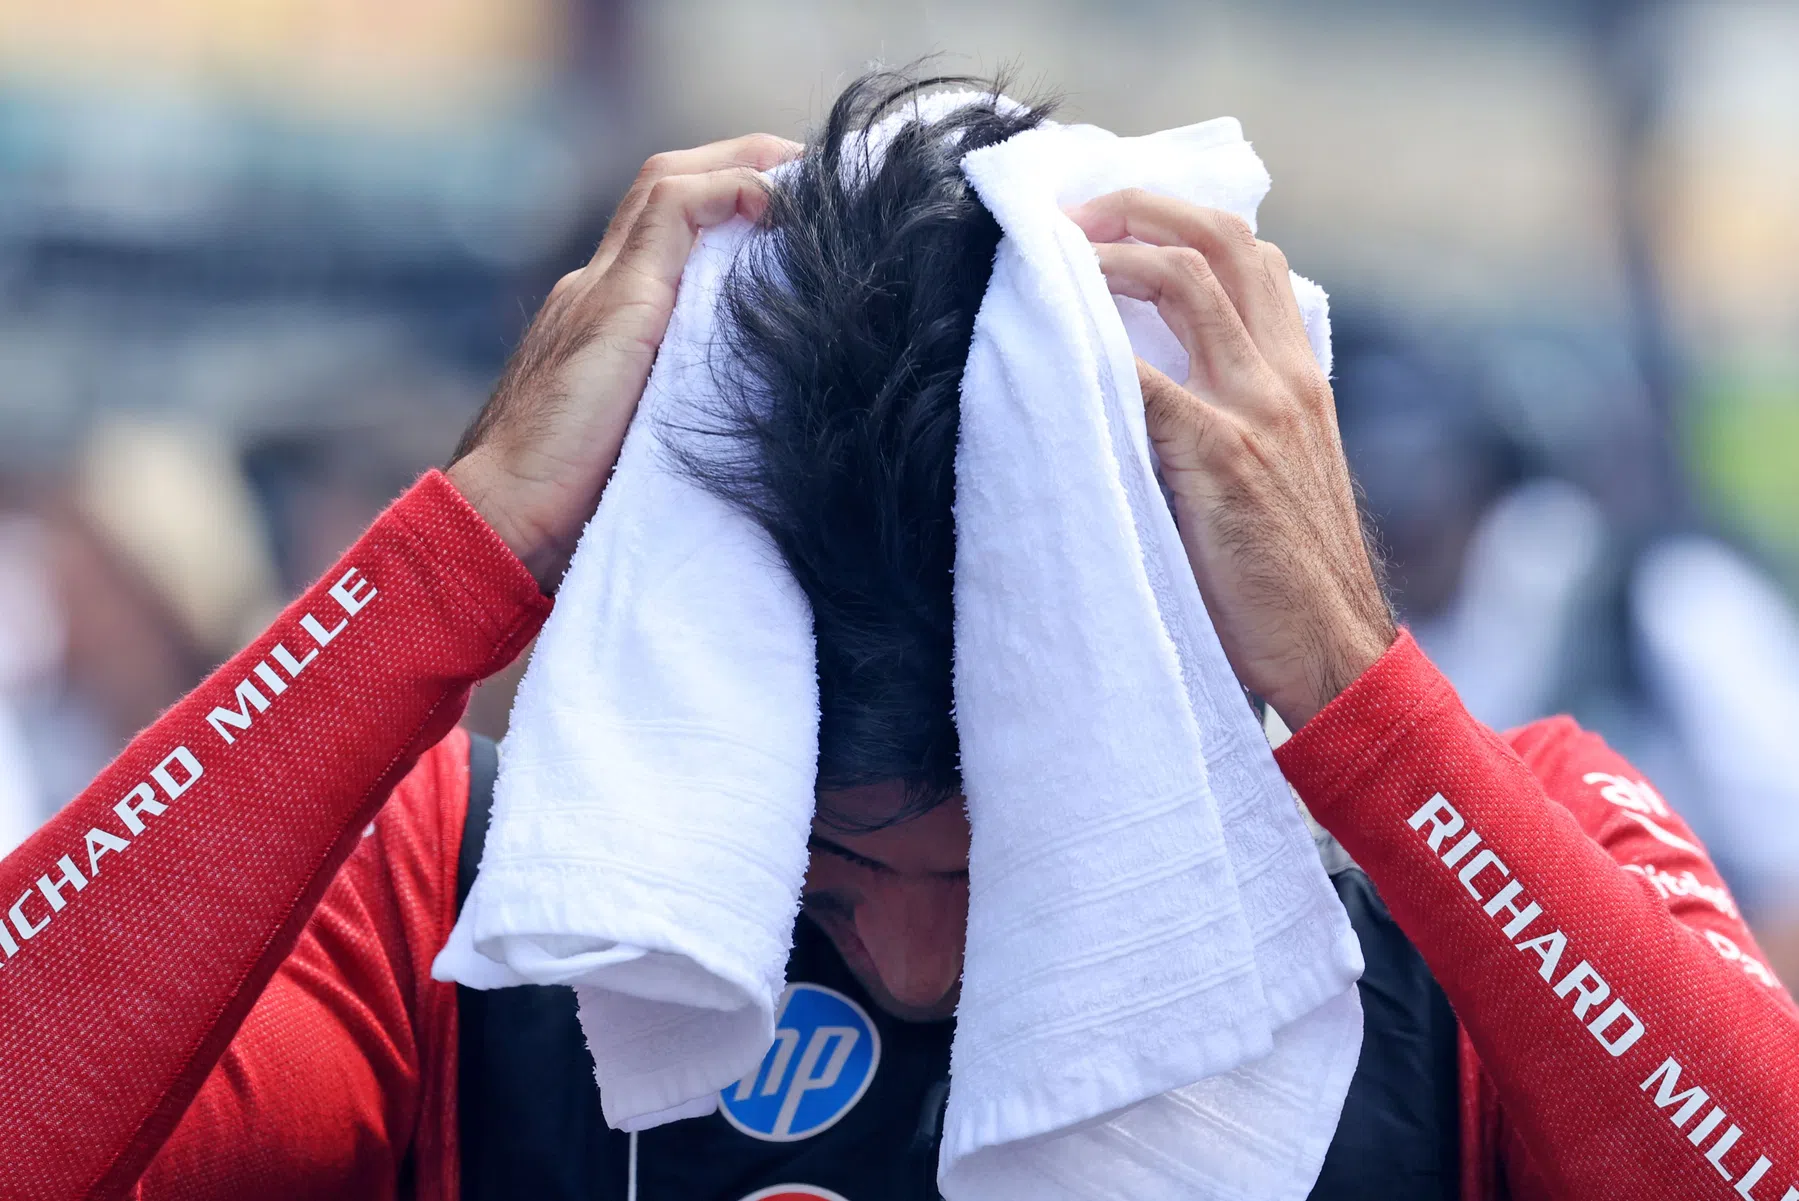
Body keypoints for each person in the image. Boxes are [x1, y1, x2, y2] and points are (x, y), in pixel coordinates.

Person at [0, 76, 1793, 1201]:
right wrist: (447, 560)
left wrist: (1355, 697)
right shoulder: (475, 901)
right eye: (831, 867)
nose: (920, 963)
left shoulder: (1474, 884)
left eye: (1009, 859)